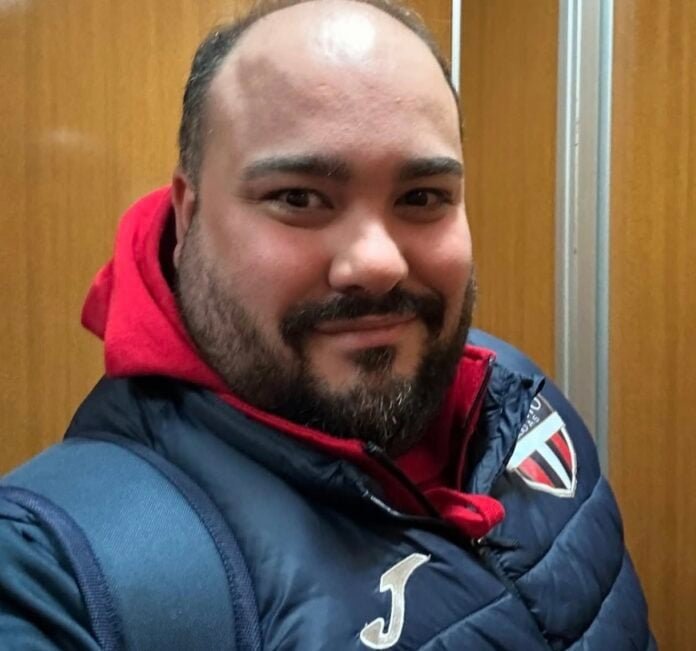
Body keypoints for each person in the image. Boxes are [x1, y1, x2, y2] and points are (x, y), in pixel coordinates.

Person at [0, 0, 654, 649]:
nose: (377, 264)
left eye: (422, 197)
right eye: (299, 197)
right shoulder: (55, 572)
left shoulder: (519, 403)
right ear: (188, 214)